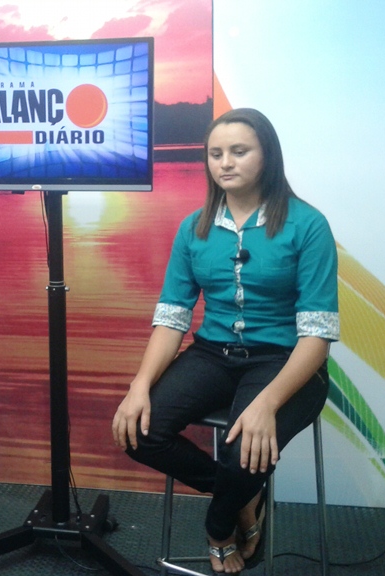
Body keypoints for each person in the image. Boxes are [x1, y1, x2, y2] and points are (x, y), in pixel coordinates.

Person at [111, 108, 338, 574]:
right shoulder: (194, 227)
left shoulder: (307, 225)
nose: (225, 163)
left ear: (267, 155)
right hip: (213, 353)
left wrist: (267, 404)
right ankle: (243, 500)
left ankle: (219, 529)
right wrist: (139, 386)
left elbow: (317, 335)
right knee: (138, 432)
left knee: (243, 452)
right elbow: (171, 319)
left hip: (285, 360)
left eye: (239, 151)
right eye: (216, 154)